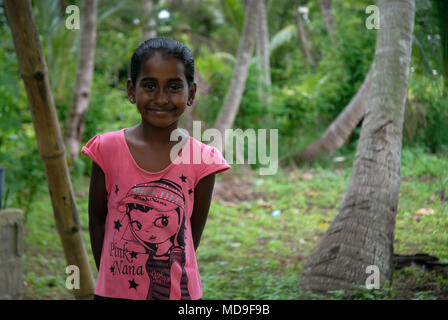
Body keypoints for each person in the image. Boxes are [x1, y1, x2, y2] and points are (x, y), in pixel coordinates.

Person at [81, 37, 230, 300]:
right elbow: (97, 221)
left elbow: (190, 238)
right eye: (149, 86)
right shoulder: (107, 149)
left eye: (174, 87)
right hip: (113, 293)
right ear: (131, 90)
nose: (161, 98)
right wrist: (113, 279)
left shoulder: (203, 159)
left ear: (191, 93)